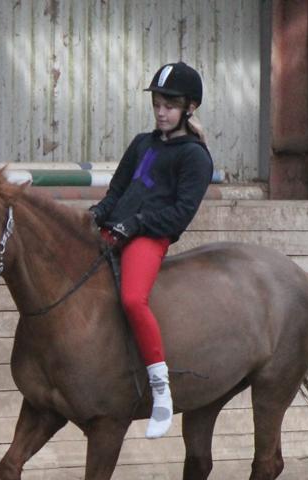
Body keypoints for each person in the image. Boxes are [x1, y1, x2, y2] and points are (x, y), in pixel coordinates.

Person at [88, 61, 214, 439]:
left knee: (131, 300)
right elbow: (117, 191)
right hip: (114, 229)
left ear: (189, 107)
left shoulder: (195, 157)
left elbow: (179, 214)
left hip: (148, 237)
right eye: (157, 103)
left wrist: (137, 224)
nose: (161, 111)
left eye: (169, 105)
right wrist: (94, 216)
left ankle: (161, 391)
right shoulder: (141, 143)